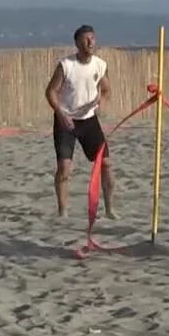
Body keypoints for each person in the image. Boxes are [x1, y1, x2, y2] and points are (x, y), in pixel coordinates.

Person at [45, 24, 116, 218]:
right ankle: (63, 211)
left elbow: (107, 88)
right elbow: (50, 92)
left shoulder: (100, 65)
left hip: (89, 120)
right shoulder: (66, 65)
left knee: (106, 163)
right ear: (77, 43)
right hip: (66, 121)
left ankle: (110, 209)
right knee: (64, 168)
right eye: (86, 39)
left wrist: (102, 98)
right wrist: (61, 113)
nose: (90, 42)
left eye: (93, 38)